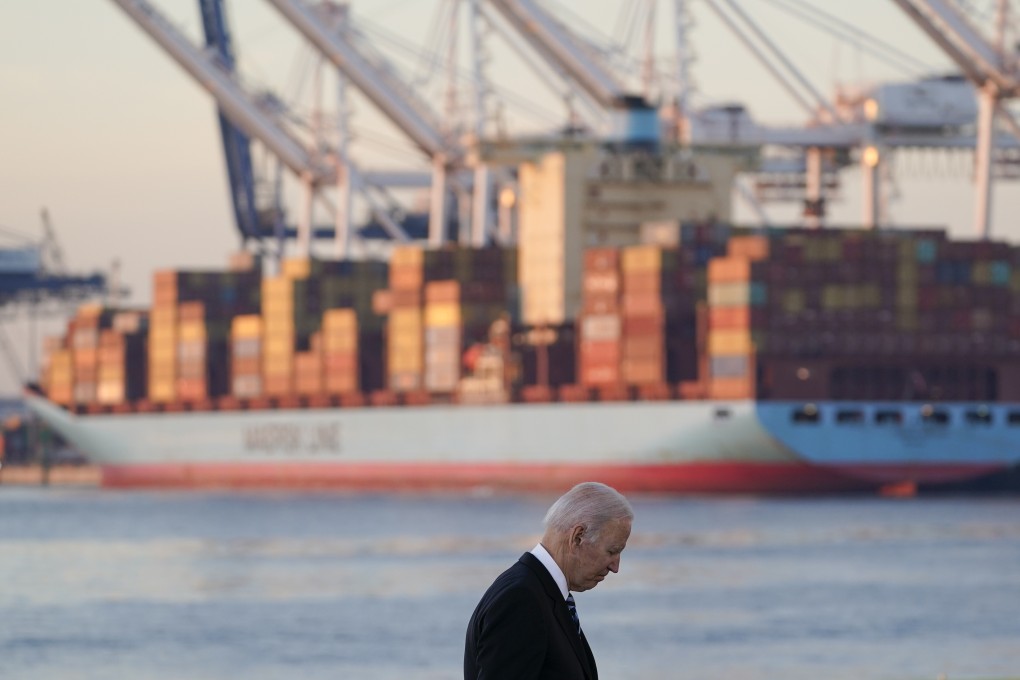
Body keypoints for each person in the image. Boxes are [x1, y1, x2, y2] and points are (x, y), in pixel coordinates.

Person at [464, 481, 634, 680]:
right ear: (577, 537)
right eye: (612, 551)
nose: (615, 567)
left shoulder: (538, 591)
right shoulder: (521, 600)